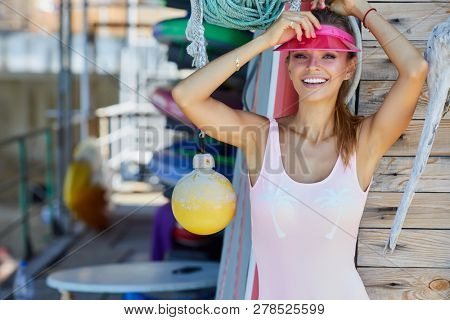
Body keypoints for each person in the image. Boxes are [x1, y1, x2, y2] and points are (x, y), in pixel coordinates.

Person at [171, 0, 428, 299]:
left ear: (349, 67)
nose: (313, 66)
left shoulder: (364, 141)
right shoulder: (260, 138)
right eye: (301, 56)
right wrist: (266, 41)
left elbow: (415, 70)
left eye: (329, 55)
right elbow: (187, 96)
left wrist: (360, 9)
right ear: (288, 65)